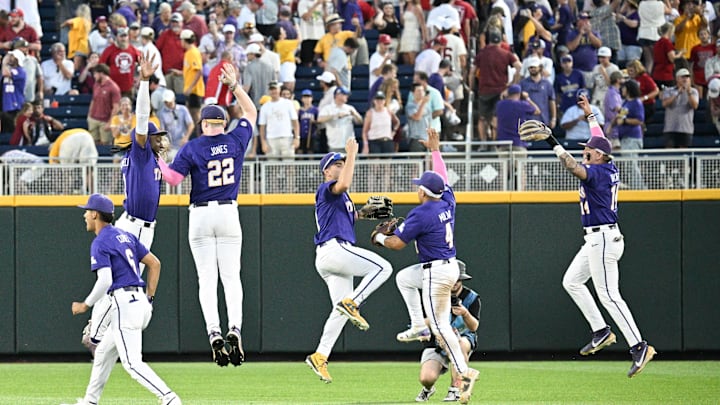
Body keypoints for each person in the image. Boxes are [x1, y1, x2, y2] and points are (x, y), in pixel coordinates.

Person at [520, 94, 655, 378]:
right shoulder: (604, 163)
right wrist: (591, 115)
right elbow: (599, 140)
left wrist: (552, 142)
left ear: (601, 156)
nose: (585, 151)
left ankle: (639, 346)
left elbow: (573, 167)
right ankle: (601, 330)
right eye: (585, 149)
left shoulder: (599, 172)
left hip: (604, 238)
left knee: (609, 295)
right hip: (597, 238)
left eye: (589, 151)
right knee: (572, 281)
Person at [157, 64, 256, 367]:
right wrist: (234, 85)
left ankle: (213, 332)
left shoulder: (193, 147)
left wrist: (158, 160)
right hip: (228, 212)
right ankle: (235, 329)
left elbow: (172, 180)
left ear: (202, 124)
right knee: (231, 279)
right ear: (224, 123)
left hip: (200, 216)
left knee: (206, 280)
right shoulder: (236, 139)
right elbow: (251, 113)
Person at [371, 127, 480, 404]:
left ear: (423, 191)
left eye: (419, 185)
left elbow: (397, 244)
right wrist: (435, 151)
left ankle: (464, 373)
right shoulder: (447, 200)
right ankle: (419, 325)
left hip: (436, 271)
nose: (417, 187)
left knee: (442, 326)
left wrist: (380, 237)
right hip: (449, 265)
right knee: (405, 278)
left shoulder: (421, 212)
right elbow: (442, 177)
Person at [82, 53, 170, 357]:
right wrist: (144, 82)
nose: (160, 140)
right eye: (155, 136)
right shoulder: (142, 150)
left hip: (138, 222)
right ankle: (96, 334)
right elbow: (142, 118)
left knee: (121, 281)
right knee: (121, 281)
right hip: (136, 225)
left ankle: (99, 331)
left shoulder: (149, 157)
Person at [65, 193, 180, 405]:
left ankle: (170, 399)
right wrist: (149, 299)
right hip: (140, 302)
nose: (85, 216)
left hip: (124, 304)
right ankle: (90, 402)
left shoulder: (100, 242)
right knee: (102, 353)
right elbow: (155, 264)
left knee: (132, 363)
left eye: (87, 212)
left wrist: (85, 304)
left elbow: (106, 280)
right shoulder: (125, 235)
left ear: (96, 214)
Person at [305, 139, 394, 384]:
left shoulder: (341, 199)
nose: (342, 165)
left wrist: (375, 210)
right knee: (383, 267)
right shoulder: (327, 188)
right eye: (337, 164)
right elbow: (344, 183)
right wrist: (353, 153)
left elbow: (353, 214)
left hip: (330, 257)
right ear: (326, 170)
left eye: (343, 162)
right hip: (335, 249)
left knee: (340, 311)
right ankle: (354, 302)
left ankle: (320, 355)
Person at [410, 261, 480, 402]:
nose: (454, 283)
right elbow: (422, 323)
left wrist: (465, 314)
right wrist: (432, 329)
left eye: (457, 279)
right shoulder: (434, 294)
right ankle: (428, 389)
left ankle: (456, 389)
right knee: (426, 378)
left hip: (463, 336)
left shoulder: (471, 297)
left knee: (459, 344)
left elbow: (473, 328)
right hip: (437, 339)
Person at [662, 67, 700, 148]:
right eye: (683, 77)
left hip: (685, 128)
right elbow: (665, 104)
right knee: (670, 155)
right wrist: (677, 93)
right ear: (677, 78)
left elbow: (695, 106)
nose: (685, 79)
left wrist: (689, 93)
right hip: (670, 127)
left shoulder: (694, 91)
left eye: (687, 77)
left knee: (684, 155)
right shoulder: (669, 90)